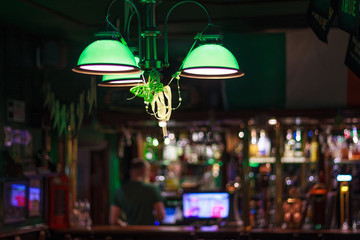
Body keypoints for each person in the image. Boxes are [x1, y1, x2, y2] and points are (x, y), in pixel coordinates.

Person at [109, 158, 165, 225]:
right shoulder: (152, 189)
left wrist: (126, 226)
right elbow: (161, 216)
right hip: (149, 232)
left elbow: (113, 220)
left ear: (130, 171)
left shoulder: (119, 191)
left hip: (130, 233)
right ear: (144, 171)